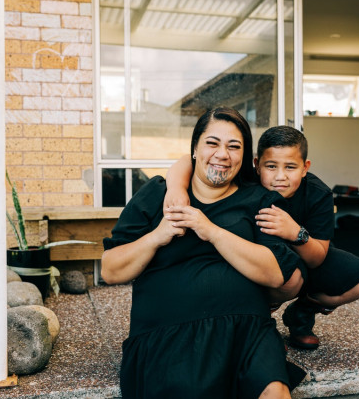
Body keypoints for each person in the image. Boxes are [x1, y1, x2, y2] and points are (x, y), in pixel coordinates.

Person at [101, 108, 306, 398]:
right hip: (167, 335)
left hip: (246, 333)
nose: (222, 154)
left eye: (234, 146)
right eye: (212, 143)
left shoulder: (259, 199)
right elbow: (110, 270)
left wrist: (210, 230)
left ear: (244, 157)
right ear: (195, 149)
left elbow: (274, 274)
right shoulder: (158, 195)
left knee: (275, 391)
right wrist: (157, 237)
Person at [165, 125, 359, 350]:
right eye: (271, 166)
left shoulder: (318, 193)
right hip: (255, 259)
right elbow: (188, 160)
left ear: (305, 167)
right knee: (285, 276)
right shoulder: (248, 178)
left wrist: (295, 232)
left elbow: (317, 258)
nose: (280, 177)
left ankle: (301, 313)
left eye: (291, 167)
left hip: (302, 252)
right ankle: (259, 321)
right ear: (256, 165)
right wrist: (176, 188)